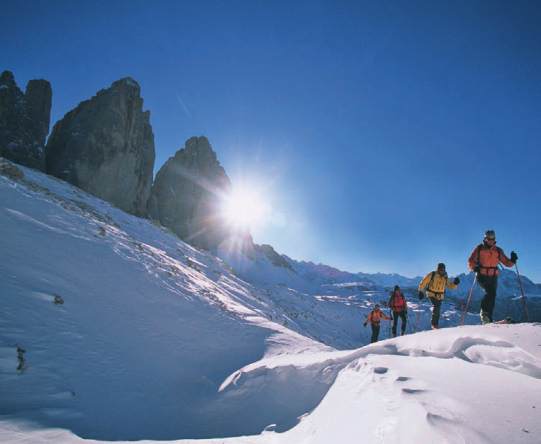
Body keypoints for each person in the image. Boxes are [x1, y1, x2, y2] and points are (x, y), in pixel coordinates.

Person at [468, 230, 517, 324]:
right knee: (490, 292)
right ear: (485, 239)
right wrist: (474, 267)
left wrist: (513, 260)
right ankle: (484, 313)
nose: (491, 241)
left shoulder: (498, 250)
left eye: (492, 239)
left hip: (493, 276)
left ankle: (488, 318)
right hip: (482, 275)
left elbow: (507, 263)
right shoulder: (479, 248)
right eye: (489, 239)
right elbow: (471, 260)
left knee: (493, 295)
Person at [418, 263, 460, 329]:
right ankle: (434, 325)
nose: (441, 271)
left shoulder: (445, 277)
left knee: (438, 310)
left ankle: (435, 325)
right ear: (438, 269)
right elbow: (424, 282)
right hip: (431, 294)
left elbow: (450, 286)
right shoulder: (432, 274)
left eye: (443, 269)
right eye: (440, 269)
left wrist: (455, 283)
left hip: (440, 296)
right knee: (436, 307)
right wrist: (421, 291)